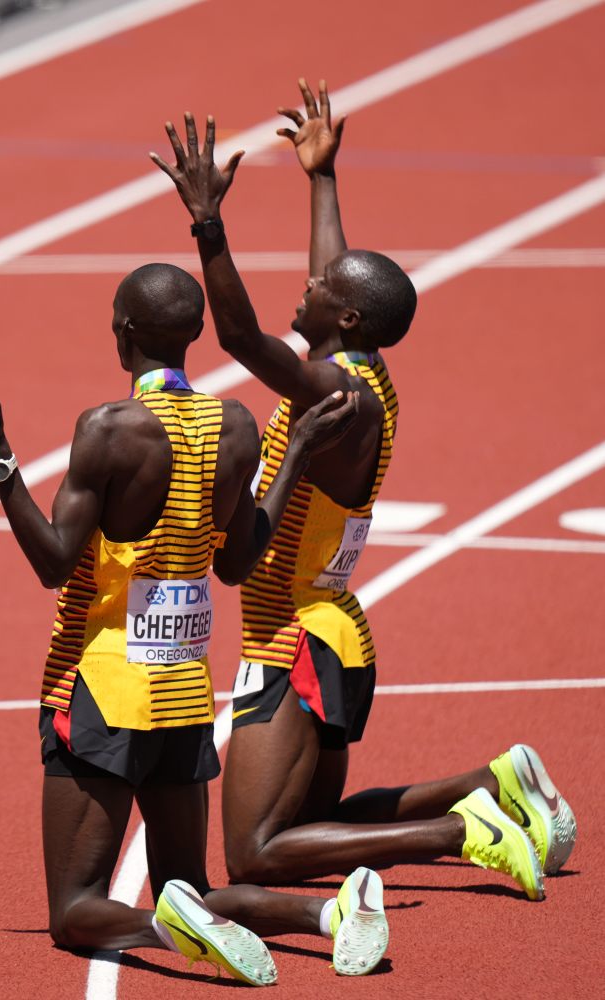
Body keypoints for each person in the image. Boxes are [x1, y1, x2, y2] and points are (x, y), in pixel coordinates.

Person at [151, 79, 577, 901]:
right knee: (325, 825)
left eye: (318, 294)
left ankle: (461, 831)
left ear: (344, 321)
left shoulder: (335, 400)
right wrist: (321, 178)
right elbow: (338, 278)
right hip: (330, 629)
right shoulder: (354, 372)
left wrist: (206, 221)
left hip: (295, 640)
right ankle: (487, 787)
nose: (303, 289)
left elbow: (236, 334)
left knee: (254, 857)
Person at [0, 261, 395, 983]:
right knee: (194, 884)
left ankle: (168, 931)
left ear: (124, 334)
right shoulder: (235, 425)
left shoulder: (109, 430)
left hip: (104, 689)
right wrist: (295, 453)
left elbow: (53, 563)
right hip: (182, 692)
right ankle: (329, 913)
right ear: (195, 336)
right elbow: (238, 565)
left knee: (76, 909)